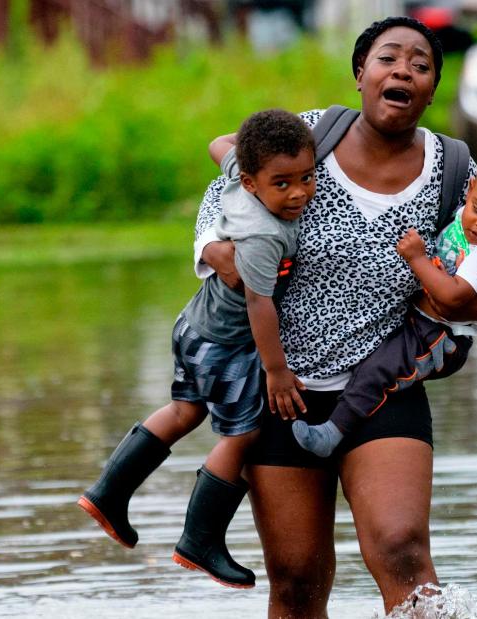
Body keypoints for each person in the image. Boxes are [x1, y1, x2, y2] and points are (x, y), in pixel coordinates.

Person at [195, 16, 477, 615]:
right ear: (360, 73)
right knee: (297, 578)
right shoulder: (309, 134)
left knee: (402, 549)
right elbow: (224, 193)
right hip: (283, 387)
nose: (403, 70)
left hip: (386, 385)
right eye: (388, 58)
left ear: (433, 87)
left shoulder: (458, 170)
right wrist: (216, 251)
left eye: (420, 64)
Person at [77, 109, 315, 589]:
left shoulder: (239, 173)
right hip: (227, 344)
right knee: (242, 435)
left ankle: (108, 493)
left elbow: (217, 143)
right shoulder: (264, 234)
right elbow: (258, 303)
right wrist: (276, 371)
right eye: (282, 183)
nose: (298, 193)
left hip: (193, 328)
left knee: (185, 410)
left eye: (307, 178)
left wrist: (246, 151)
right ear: (251, 184)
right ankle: (200, 540)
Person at [292, 150, 477, 457]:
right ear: (470, 189)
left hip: (438, 337)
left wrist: (417, 259)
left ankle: (331, 434)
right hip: (419, 322)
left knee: (379, 370)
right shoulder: (461, 217)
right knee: (372, 361)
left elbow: (451, 298)